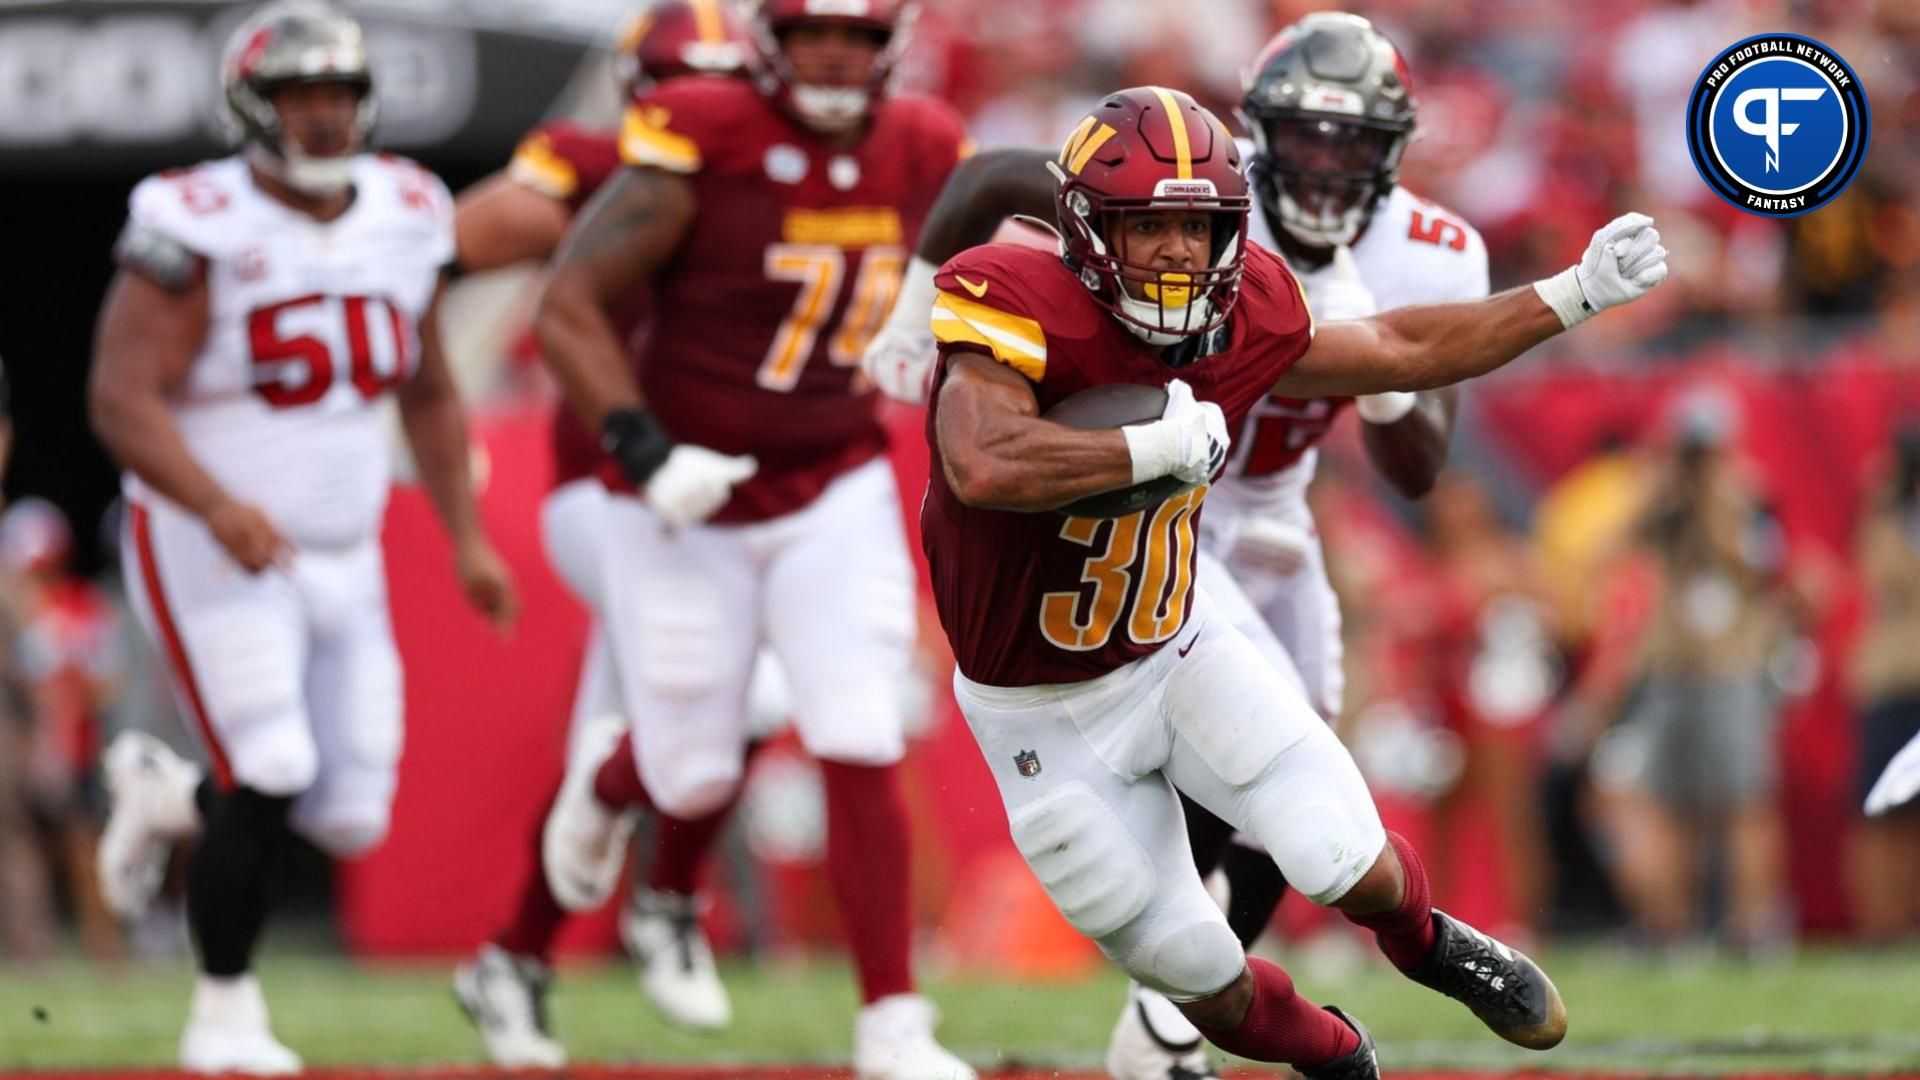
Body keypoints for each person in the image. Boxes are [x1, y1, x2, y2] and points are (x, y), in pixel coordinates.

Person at [918, 84, 1665, 1079]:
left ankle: (1431, 945)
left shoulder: (1245, 309)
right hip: (1038, 718)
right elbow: (981, 462)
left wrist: (1573, 294)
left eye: (1200, 225)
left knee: (1336, 854)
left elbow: (1395, 349)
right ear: (1092, 229)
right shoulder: (1014, 299)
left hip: (1172, 650)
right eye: (1153, 227)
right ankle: (1337, 1058)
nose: (1182, 251)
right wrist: (1149, 448)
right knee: (1198, 971)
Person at [861, 15, 1488, 1077]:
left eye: (1352, 145)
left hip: (1265, 519)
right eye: (1308, 138)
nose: (1327, 169)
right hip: (1143, 505)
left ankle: (1190, 1022)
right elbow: (985, 193)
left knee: (1297, 794)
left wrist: (1388, 377)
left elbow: (1420, 455)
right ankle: (1186, 1001)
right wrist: (912, 313)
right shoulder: (1144, 198)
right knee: (1159, 805)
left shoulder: (1422, 253)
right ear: (1262, 136)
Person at [531, 1, 975, 1076]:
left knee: (859, 723)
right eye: (813, 33)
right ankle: (607, 786)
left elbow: (990, 238)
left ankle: (894, 1026)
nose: (835, 57)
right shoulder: (704, 129)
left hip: (831, 480)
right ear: (770, 42)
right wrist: (642, 453)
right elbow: (569, 300)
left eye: (858, 39)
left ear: (890, 50)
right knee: (688, 773)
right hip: (692, 490)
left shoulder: (920, 143)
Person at [87, 2, 516, 1072]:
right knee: (272, 759)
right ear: (253, 107)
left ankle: (169, 794)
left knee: (352, 812)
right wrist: (213, 502)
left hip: (343, 546)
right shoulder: (194, 217)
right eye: (298, 97)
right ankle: (223, 1012)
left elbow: (427, 387)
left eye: (338, 95)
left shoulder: (408, 208)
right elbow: (119, 394)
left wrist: (465, 536)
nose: (323, 117)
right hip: (206, 539)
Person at [445, 2, 749, 1066]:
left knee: (616, 747)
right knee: (736, 697)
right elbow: (460, 242)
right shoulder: (595, 162)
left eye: (723, 85)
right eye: (678, 86)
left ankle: (513, 959)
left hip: (722, 499)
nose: (704, 111)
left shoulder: (785, 168)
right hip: (609, 488)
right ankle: (665, 897)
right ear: (638, 94)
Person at [1850, 425, 1920, 933]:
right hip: (1896, 678)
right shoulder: (1887, 520)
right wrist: (1886, 490)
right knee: (1881, 809)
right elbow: (1877, 572)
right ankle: (1882, 923)